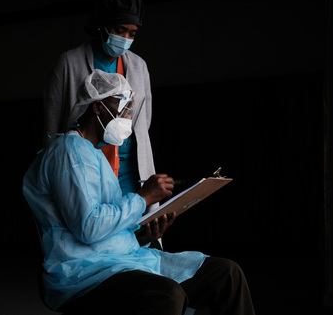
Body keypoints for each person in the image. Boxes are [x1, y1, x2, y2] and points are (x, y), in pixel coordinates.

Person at [23, 70, 256, 315]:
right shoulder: (69, 152)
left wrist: (143, 236)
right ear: (97, 107)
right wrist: (144, 197)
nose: (126, 117)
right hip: (83, 271)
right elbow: (89, 227)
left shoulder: (94, 154)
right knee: (166, 294)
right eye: (122, 106)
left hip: (123, 259)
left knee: (226, 273)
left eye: (130, 109)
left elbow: (106, 229)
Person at [43, 0, 166, 248]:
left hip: (130, 171)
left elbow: (143, 123)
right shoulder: (69, 64)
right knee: (93, 238)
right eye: (120, 30)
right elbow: (53, 128)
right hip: (87, 170)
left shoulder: (138, 66)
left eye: (132, 34)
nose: (125, 39)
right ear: (102, 25)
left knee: (137, 241)